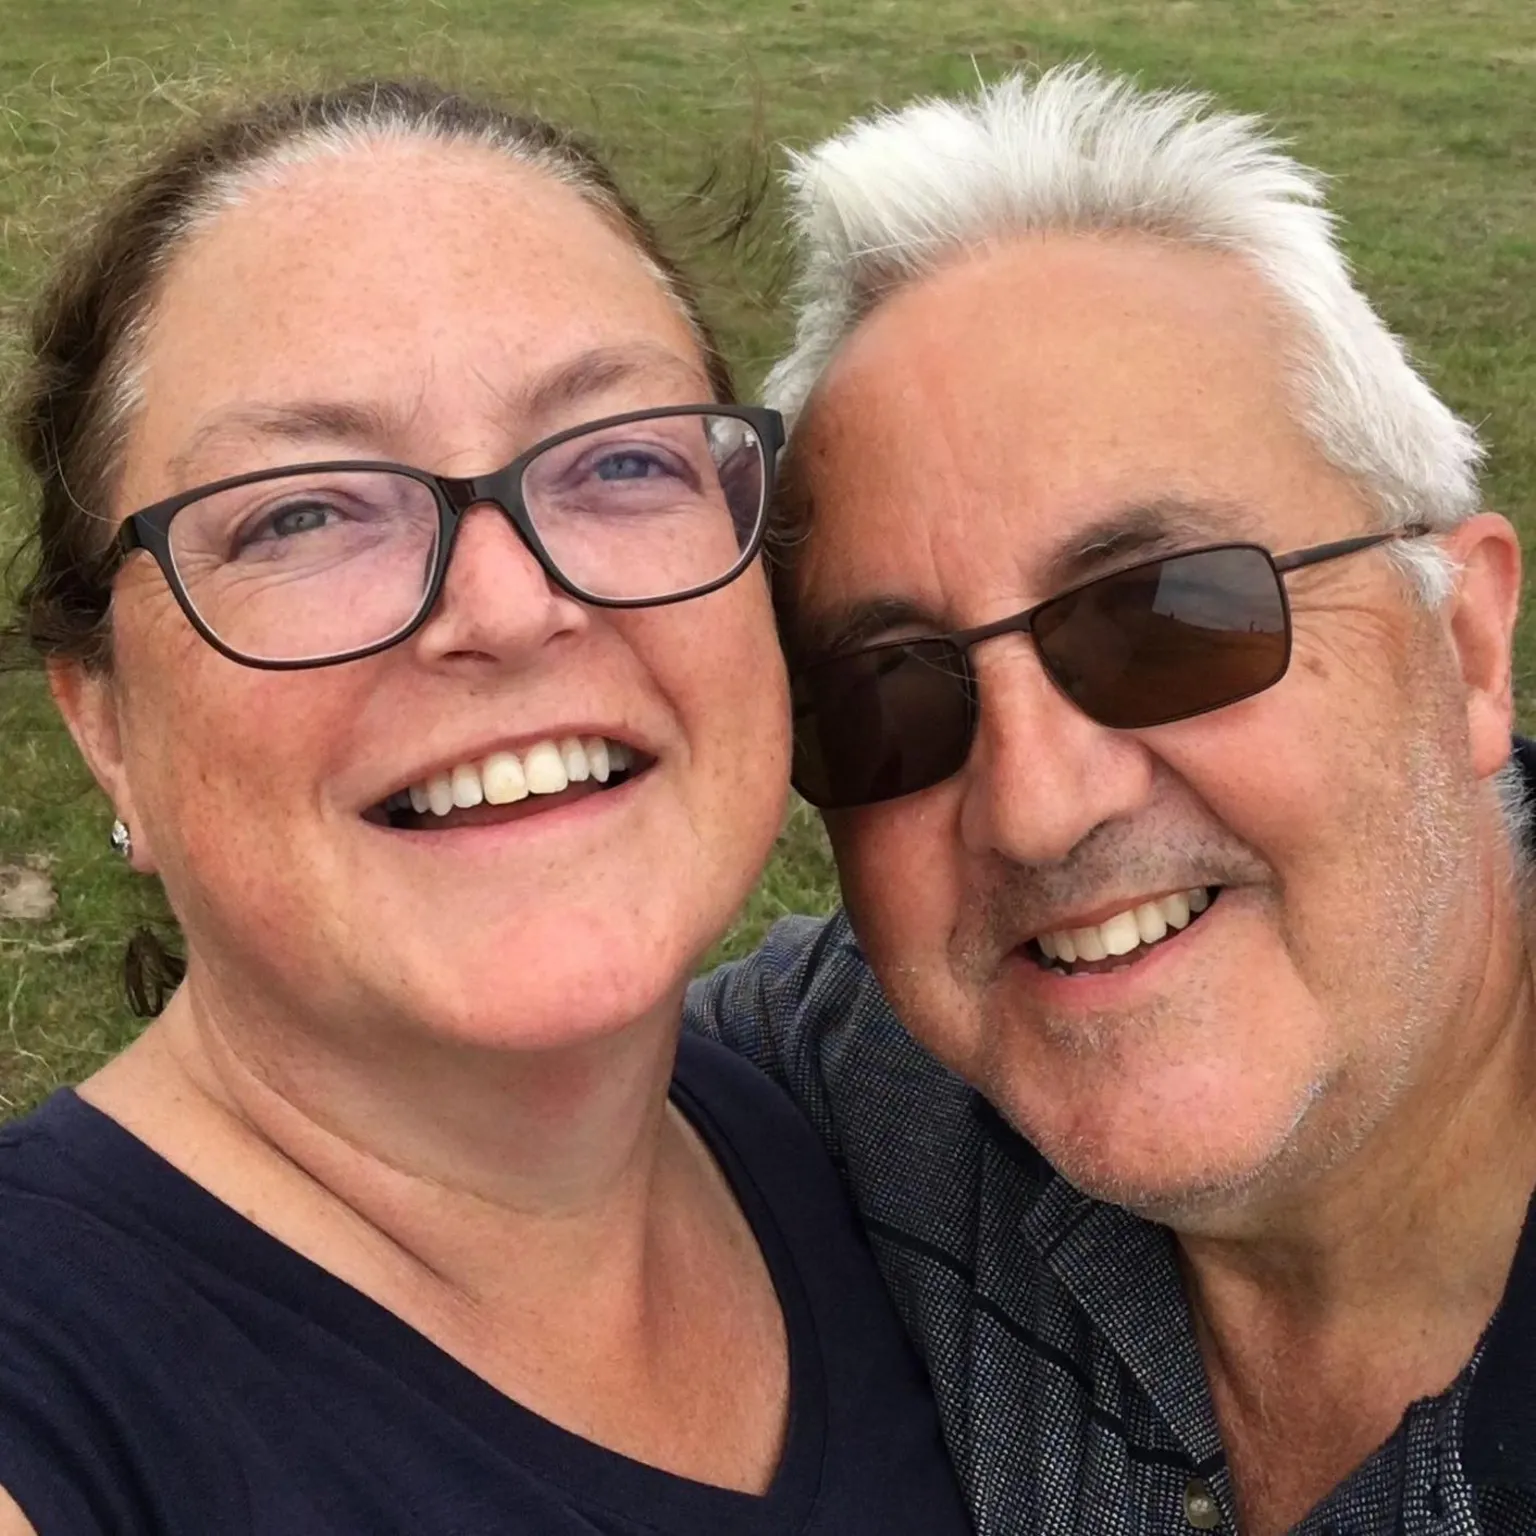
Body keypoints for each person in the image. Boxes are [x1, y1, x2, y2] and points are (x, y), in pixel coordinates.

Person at [0, 80, 972, 1536]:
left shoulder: (873, 1152)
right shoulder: (53, 1397)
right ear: (107, 725)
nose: (512, 607)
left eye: (622, 459)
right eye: (302, 513)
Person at [689, 65, 1536, 1535]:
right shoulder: (852, 1083)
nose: (1035, 806)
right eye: (891, 696)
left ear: (1465, 642)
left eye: (1165, 618)